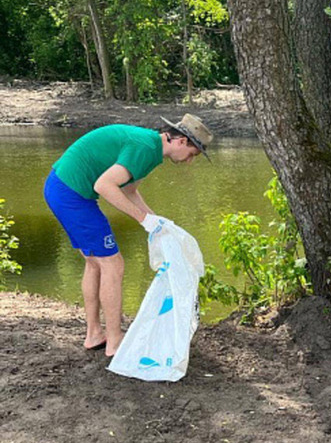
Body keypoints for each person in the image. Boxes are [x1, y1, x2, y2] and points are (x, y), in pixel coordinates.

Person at [43, 114, 213, 357]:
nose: (189, 161)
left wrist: (155, 221)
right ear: (182, 141)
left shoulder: (152, 149)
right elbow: (103, 186)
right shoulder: (145, 148)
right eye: (192, 154)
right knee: (114, 265)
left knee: (95, 263)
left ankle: (94, 334)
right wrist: (142, 219)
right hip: (72, 195)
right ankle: (114, 341)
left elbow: (129, 189)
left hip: (61, 189)